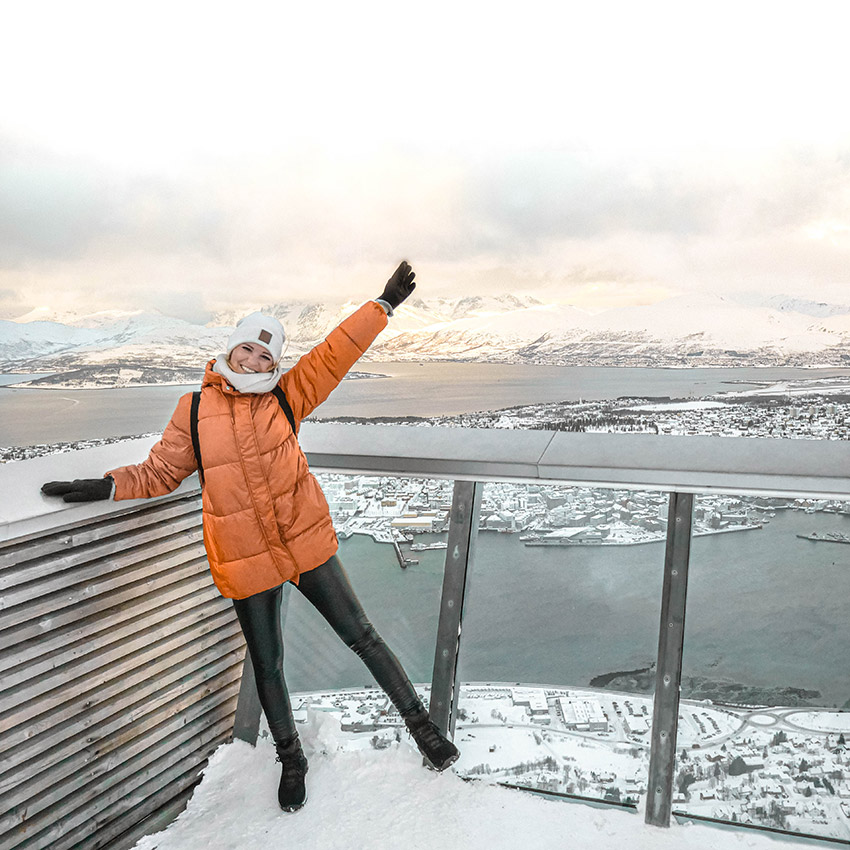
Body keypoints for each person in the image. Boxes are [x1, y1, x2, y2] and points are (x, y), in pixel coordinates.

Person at [41, 261, 459, 812]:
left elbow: (335, 354)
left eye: (267, 356)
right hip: (245, 558)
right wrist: (106, 485)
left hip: (304, 543)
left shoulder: (287, 396)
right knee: (268, 664)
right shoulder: (193, 410)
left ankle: (423, 730)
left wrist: (382, 304)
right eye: (248, 351)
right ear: (230, 349)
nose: (255, 361)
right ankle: (290, 758)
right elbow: (160, 473)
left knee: (364, 635)